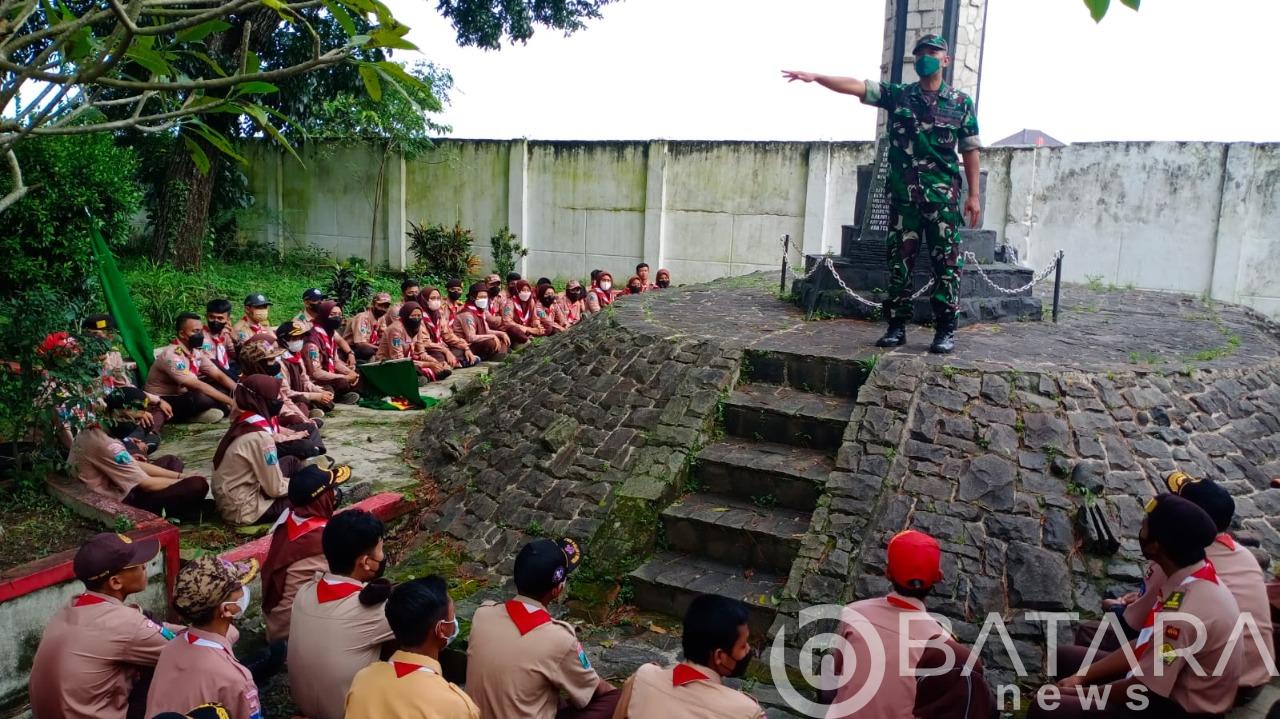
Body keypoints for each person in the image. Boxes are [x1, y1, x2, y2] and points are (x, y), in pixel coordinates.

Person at [784, 33, 982, 354]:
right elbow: (856, 86)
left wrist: (974, 195)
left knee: (946, 266)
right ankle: (896, 327)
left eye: (931, 53)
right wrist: (817, 77)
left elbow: (971, 149)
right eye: (919, 54)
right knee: (899, 264)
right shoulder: (899, 95)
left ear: (945, 60)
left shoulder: (960, 103)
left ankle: (945, 330)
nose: (924, 58)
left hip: (942, 200)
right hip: (905, 200)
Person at [1029, 495, 1242, 718]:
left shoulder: (1182, 617)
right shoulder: (1193, 575)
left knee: (1045, 706)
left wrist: (1082, 693)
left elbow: (1143, 689)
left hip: (1173, 707)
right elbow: (1143, 644)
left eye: (1144, 527)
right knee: (1063, 659)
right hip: (1158, 682)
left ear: (1156, 546)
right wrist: (1080, 678)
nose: (1139, 531)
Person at [29, 533, 178, 719]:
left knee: (146, 617)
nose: (144, 566)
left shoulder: (71, 608)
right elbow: (187, 651)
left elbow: (144, 626)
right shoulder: (126, 625)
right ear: (116, 582)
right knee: (188, 668)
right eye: (137, 564)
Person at [466, 537, 619, 719]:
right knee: (614, 699)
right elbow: (594, 688)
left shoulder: (483, 614)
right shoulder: (559, 639)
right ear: (557, 589)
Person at [823, 529, 964, 718]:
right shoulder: (942, 643)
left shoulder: (854, 613)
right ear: (937, 578)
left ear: (887, 573)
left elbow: (838, 671)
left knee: (827, 664)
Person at [1165, 472, 1273, 700]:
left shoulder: (1186, 560)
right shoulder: (1244, 555)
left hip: (1213, 687)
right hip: (1257, 678)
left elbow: (1146, 624)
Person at [289, 509, 396, 719]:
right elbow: (425, 628)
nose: (383, 557)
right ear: (365, 562)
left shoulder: (304, 593)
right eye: (381, 551)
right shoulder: (374, 611)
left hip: (305, 707)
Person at [611, 593, 765, 718]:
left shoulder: (642, 677)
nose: (748, 650)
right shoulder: (747, 712)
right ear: (720, 656)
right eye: (743, 646)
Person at [345, 576, 479, 719]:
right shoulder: (457, 708)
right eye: (452, 615)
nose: (454, 621)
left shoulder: (363, 680)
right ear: (441, 629)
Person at [145, 557, 261, 719]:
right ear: (226, 609)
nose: (244, 590)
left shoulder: (171, 647)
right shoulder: (236, 680)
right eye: (239, 587)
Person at [71, 387, 209, 519]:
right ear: (109, 412)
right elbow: (146, 484)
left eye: (137, 420)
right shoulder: (105, 444)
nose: (130, 424)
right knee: (197, 484)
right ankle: (182, 510)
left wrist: (181, 476)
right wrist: (184, 480)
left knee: (172, 461)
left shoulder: (95, 429)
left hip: (121, 484)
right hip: (119, 501)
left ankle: (183, 507)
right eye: (125, 418)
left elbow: (134, 464)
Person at [260, 464, 349, 642]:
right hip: (293, 637)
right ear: (322, 499)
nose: (337, 494)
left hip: (275, 624)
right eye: (333, 490)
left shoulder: (287, 519)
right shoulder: (326, 540)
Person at [210, 375, 300, 525]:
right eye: (275, 396)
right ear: (261, 399)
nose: (279, 400)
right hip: (246, 510)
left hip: (237, 496)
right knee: (314, 494)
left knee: (291, 462)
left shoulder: (242, 420)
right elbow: (275, 489)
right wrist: (304, 485)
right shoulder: (260, 437)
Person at [236, 336, 326, 461]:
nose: (276, 363)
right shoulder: (245, 390)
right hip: (261, 442)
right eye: (271, 360)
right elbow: (259, 431)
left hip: (275, 429)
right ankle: (310, 455)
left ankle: (316, 454)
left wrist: (302, 423)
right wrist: (289, 436)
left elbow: (284, 400)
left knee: (309, 428)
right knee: (303, 444)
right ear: (258, 364)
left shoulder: (269, 381)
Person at [144, 313, 232, 424]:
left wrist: (239, 393)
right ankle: (189, 417)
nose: (200, 335)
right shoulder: (172, 356)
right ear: (182, 334)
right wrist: (232, 402)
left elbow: (218, 375)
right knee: (202, 398)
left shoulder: (194, 351)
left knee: (222, 389)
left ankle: (208, 412)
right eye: (195, 331)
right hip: (162, 399)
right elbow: (196, 385)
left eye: (201, 331)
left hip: (183, 395)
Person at [375, 301, 452, 383]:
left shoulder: (416, 328)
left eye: (419, 316)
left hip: (406, 361)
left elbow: (421, 353)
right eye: (413, 316)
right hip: (388, 364)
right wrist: (428, 364)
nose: (417, 319)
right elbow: (398, 359)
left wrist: (436, 363)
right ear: (405, 315)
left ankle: (422, 376)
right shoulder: (396, 330)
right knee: (417, 369)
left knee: (436, 365)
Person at [302, 300, 361, 404]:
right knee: (338, 384)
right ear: (324, 315)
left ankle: (338, 397)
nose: (337, 318)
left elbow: (335, 361)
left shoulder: (330, 334)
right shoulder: (312, 341)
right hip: (313, 379)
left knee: (357, 375)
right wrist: (344, 377)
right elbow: (315, 372)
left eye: (339, 315)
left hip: (328, 373)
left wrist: (350, 373)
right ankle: (329, 400)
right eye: (333, 314)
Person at [276, 321, 335, 417]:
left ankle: (313, 407)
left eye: (301, 338)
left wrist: (319, 391)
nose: (299, 341)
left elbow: (305, 381)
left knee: (327, 390)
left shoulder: (296, 356)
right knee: (301, 401)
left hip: (300, 391)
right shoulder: (278, 361)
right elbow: (285, 392)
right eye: (295, 338)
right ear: (284, 340)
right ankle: (309, 410)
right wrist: (314, 396)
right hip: (289, 397)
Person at [421, 286, 480, 368]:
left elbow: (448, 334)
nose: (436, 301)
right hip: (429, 349)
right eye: (432, 298)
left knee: (461, 350)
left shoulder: (438, 314)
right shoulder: (419, 316)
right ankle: (453, 364)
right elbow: (425, 343)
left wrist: (465, 348)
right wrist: (446, 351)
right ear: (424, 299)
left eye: (438, 298)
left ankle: (451, 364)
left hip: (441, 346)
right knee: (438, 355)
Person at [454, 283, 511, 360]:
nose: (484, 299)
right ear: (472, 298)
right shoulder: (467, 314)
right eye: (481, 297)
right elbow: (471, 337)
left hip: (477, 341)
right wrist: (492, 336)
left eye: (485, 297)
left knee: (503, 337)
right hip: (467, 345)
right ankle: (495, 355)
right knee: (491, 342)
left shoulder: (480, 312)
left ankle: (499, 355)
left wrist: (501, 333)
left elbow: (486, 330)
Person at [346, 292, 390, 362]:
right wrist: (379, 348)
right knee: (368, 351)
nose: (383, 309)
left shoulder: (381, 318)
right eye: (380, 305)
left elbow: (383, 335)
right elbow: (360, 343)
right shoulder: (362, 318)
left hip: (370, 345)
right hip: (352, 348)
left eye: (386, 307)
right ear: (373, 304)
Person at [202, 299, 238, 381]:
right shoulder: (202, 336)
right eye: (212, 317)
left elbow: (235, 355)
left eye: (220, 318)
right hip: (209, 375)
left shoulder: (226, 333)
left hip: (227, 369)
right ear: (206, 316)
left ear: (227, 319)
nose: (215, 321)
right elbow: (212, 362)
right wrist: (236, 379)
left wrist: (235, 340)